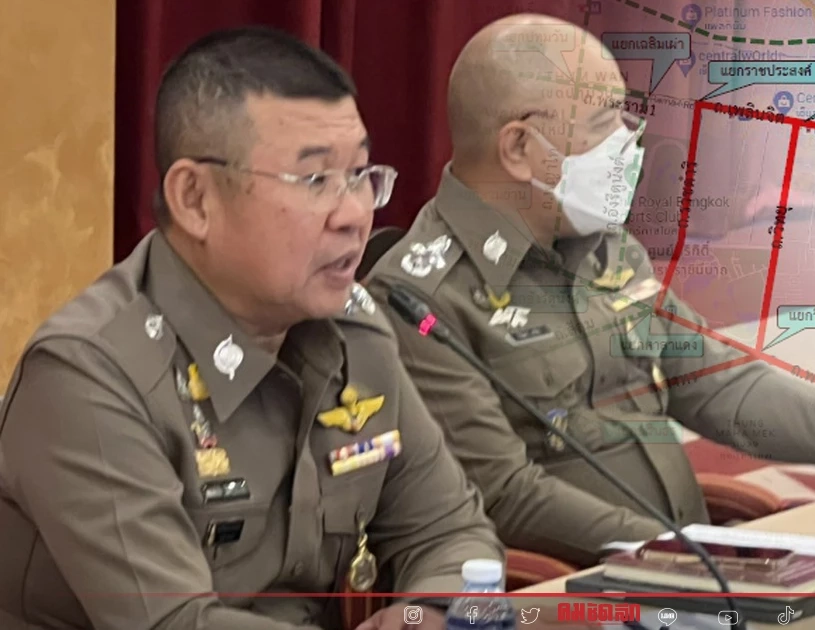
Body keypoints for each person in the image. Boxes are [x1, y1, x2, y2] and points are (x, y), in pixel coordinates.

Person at [363, 14, 815, 569]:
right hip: (592, 590)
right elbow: (505, 497)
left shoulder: (599, 246)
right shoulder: (420, 300)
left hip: (691, 570)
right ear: (518, 148)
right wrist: (696, 559)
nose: (628, 143)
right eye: (603, 122)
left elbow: (721, 384)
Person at [0, 27, 503, 630]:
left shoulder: (356, 329)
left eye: (360, 175)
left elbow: (451, 531)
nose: (355, 214)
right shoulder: (88, 374)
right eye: (315, 180)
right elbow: (176, 623)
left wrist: (428, 616)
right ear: (195, 199)